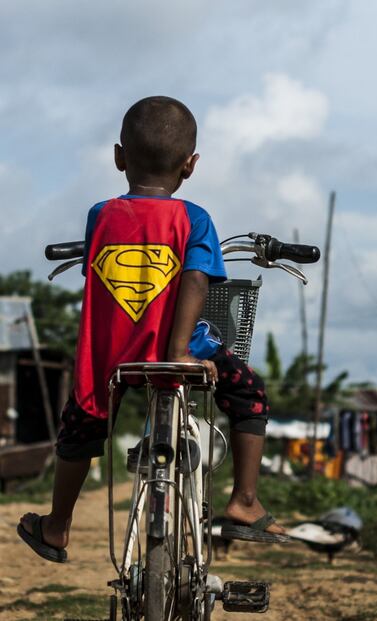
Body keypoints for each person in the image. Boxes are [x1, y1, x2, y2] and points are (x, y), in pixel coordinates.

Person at [18, 96, 287, 563]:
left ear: (120, 156)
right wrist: (180, 348)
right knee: (249, 393)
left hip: (108, 357)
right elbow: (196, 278)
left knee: (81, 424)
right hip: (177, 350)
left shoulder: (100, 216)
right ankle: (244, 502)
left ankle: (58, 526)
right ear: (191, 165)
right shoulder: (193, 218)